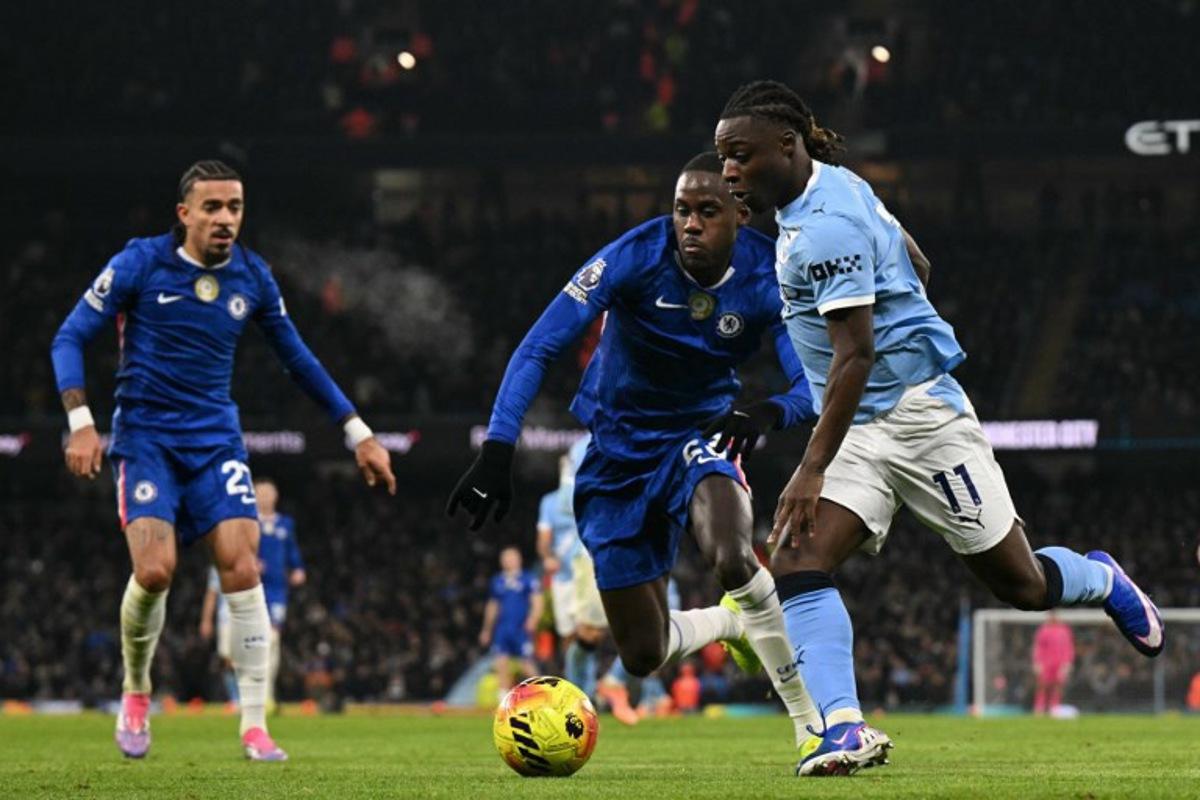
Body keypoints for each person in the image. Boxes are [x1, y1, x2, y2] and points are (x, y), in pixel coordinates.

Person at [714, 80, 1164, 776]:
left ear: (788, 144)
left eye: (740, 155)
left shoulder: (825, 227)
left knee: (1022, 586)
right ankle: (844, 729)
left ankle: (1100, 579)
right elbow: (916, 261)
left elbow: (855, 355)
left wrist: (809, 467)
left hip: (922, 421)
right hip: (858, 426)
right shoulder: (835, 189)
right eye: (723, 157)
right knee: (797, 557)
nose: (728, 171)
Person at [448, 152, 825, 757]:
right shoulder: (634, 257)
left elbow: (813, 383)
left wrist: (769, 411)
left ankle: (812, 727)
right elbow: (539, 346)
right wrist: (498, 447)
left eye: (707, 211)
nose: (691, 224)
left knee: (731, 554)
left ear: (741, 213)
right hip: (616, 457)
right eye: (682, 210)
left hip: (699, 436)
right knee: (644, 653)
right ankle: (731, 621)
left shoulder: (768, 274)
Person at [50, 160, 395, 762]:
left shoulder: (252, 276)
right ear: (184, 213)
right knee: (155, 571)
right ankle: (136, 690)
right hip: (147, 439)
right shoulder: (140, 263)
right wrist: (81, 423)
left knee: (242, 564)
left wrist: (358, 433)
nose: (225, 218)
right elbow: (70, 336)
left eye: (234, 207)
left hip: (215, 441)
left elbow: (299, 359)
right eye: (212, 207)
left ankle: (255, 726)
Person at [201, 478, 305, 712]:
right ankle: (245, 696)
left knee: (272, 641)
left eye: (269, 493)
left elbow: (292, 551)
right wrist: (249, 562)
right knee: (246, 646)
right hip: (249, 586)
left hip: (276, 591)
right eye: (261, 493)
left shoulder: (285, 524)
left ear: (276, 496)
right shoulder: (246, 521)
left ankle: (267, 696)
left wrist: (298, 568)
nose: (265, 497)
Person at [536, 455, 591, 693]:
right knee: (567, 635)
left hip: (586, 575)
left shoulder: (587, 497)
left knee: (587, 631)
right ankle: (573, 686)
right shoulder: (549, 503)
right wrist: (547, 557)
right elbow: (543, 540)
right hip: (563, 579)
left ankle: (587, 688)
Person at [479, 547, 543, 697]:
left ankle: (542, 693)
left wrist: (533, 619)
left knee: (526, 663)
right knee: (501, 662)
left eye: (512, 557)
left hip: (521, 627)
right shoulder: (497, 581)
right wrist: (487, 629)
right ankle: (503, 698)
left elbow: (537, 601)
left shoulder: (528, 579)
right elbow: (493, 606)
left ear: (519, 559)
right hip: (502, 628)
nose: (509, 560)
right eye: (506, 557)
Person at [1032, 611, 1075, 715]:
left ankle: (1054, 707)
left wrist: (1068, 662)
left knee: (1058, 685)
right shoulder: (1043, 630)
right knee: (1042, 685)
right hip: (1046, 662)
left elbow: (1068, 647)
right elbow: (1038, 647)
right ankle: (1039, 707)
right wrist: (1037, 662)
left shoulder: (1064, 630)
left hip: (1060, 663)